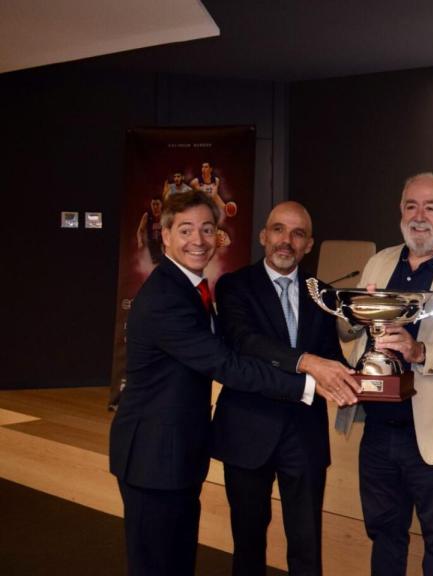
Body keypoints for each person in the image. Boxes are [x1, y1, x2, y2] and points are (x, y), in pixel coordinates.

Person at [108, 190, 354, 576]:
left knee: (176, 560)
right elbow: (229, 361)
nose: (199, 240)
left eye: (207, 230)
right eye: (186, 230)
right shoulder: (169, 298)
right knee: (158, 562)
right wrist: (309, 380)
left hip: (181, 451)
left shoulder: (191, 290)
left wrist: (358, 376)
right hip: (154, 455)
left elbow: (329, 351)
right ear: (165, 235)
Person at [336, 172, 433, 576]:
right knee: (384, 536)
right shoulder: (379, 261)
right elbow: (349, 328)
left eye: (431, 206)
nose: (419, 216)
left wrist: (419, 350)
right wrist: (351, 315)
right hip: (377, 430)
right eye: (411, 206)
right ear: (401, 211)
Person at [212, 201, 361, 575]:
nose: (286, 241)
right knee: (247, 545)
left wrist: (362, 375)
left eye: (297, 234)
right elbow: (246, 342)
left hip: (305, 435)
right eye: (278, 230)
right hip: (247, 431)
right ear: (264, 236)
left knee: (307, 546)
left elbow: (330, 355)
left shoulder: (322, 294)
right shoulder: (233, 286)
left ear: (309, 244)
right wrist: (307, 363)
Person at [136, 197, 163, 264]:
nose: (155, 207)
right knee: (156, 263)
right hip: (152, 242)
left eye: (157, 204)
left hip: (163, 242)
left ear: (161, 205)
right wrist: (140, 241)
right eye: (153, 204)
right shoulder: (147, 215)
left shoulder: (165, 214)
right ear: (150, 205)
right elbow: (140, 230)